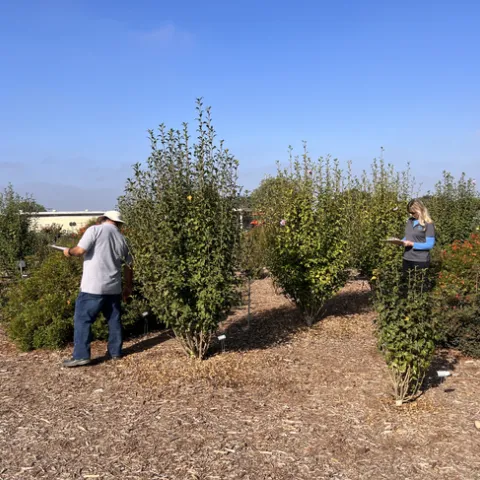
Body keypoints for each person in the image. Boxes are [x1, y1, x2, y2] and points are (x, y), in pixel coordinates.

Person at [62, 210, 133, 368]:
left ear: (103, 219)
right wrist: (128, 287)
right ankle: (115, 352)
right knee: (114, 320)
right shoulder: (124, 239)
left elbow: (80, 250)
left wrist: (68, 252)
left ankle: (81, 356)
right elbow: (129, 265)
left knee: (83, 319)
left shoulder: (94, 230)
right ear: (119, 223)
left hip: (92, 287)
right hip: (113, 287)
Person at [401, 198, 436, 280]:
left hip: (420, 260)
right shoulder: (410, 221)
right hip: (407, 258)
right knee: (406, 286)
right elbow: (408, 236)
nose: (411, 215)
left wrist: (412, 244)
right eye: (409, 213)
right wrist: (401, 241)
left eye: (413, 213)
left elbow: (429, 244)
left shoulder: (428, 224)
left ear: (420, 210)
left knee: (419, 287)